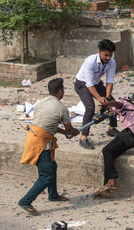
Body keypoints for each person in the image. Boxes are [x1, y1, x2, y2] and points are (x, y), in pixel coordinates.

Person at [18, 78, 79, 216]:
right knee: (46, 176)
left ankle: (53, 194)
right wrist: (73, 132)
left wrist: (65, 133)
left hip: (34, 137)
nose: (63, 92)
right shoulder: (62, 108)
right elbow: (69, 129)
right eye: (63, 89)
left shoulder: (41, 102)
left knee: (53, 166)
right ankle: (26, 201)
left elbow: (49, 124)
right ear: (59, 91)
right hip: (41, 143)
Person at [92, 98, 134, 198]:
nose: (111, 113)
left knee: (106, 150)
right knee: (110, 154)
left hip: (131, 133)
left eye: (110, 110)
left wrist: (109, 103)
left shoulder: (122, 102)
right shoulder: (126, 107)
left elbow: (117, 104)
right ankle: (107, 186)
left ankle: (111, 183)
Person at [75, 39, 119, 150]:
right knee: (90, 108)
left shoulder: (112, 62)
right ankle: (83, 138)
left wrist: (107, 99)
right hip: (83, 84)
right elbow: (89, 84)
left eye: (110, 55)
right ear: (99, 51)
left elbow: (110, 81)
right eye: (106, 55)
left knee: (113, 104)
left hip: (96, 83)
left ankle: (111, 128)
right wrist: (100, 98)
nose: (108, 58)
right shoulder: (90, 61)